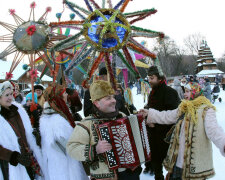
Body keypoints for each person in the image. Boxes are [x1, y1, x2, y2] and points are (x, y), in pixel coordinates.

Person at [140, 82, 225, 180]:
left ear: (195, 92)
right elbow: (167, 116)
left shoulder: (206, 110)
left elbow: (214, 130)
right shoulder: (184, 107)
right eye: (185, 91)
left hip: (194, 166)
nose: (184, 94)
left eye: (188, 91)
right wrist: (149, 113)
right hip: (177, 163)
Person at [67, 80, 142, 180]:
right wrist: (95, 149)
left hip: (130, 174)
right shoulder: (87, 123)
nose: (114, 101)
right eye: (108, 98)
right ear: (96, 103)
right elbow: (71, 148)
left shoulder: (122, 116)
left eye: (113, 97)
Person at [39, 83, 88, 180]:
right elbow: (69, 145)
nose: (66, 95)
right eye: (64, 93)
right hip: (65, 167)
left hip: (56, 164)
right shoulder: (57, 120)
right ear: (59, 97)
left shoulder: (50, 116)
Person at [0, 81, 43, 180]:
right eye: (6, 95)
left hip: (27, 159)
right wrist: (14, 157)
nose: (10, 98)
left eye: (11, 94)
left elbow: (27, 133)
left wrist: (35, 135)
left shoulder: (19, 111)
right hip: (9, 166)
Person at [144, 66, 180, 180]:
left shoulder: (170, 92)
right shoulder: (153, 92)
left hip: (166, 137)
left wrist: (154, 122)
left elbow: (174, 115)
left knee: (171, 165)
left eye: (152, 78)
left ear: (159, 78)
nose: (149, 80)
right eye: (148, 78)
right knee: (156, 164)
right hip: (153, 136)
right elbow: (151, 107)